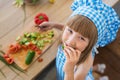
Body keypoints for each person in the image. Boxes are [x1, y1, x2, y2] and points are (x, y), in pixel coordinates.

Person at [38, 0, 120, 80]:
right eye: (70, 31)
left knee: (88, 72)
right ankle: (97, 67)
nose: (70, 42)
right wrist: (54, 25)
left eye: (82, 38)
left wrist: (69, 71)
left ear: (92, 43)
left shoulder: (86, 62)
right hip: (64, 72)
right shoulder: (72, 39)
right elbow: (69, 28)